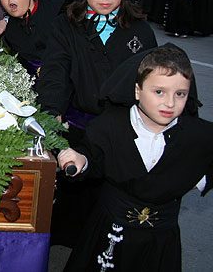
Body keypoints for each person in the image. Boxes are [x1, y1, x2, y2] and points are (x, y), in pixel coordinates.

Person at [37, 0, 157, 248]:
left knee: (112, 205)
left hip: (124, 131)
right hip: (80, 126)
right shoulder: (66, 25)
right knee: (74, 200)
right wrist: (52, 111)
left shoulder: (139, 30)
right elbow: (56, 71)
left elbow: (153, 82)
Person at [58, 45, 212, 272]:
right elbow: (92, 155)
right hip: (109, 232)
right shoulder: (109, 126)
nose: (170, 103)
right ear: (138, 91)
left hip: (160, 240)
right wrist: (80, 159)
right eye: (159, 92)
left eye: (180, 94)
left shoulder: (200, 137)